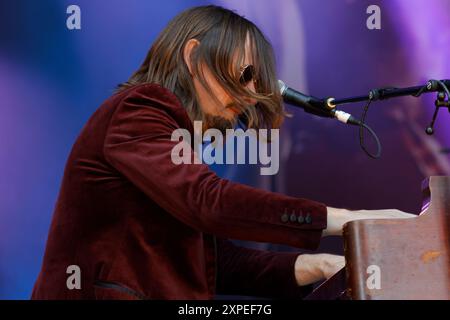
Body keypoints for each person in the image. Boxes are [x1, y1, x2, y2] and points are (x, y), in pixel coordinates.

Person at [31, 5, 413, 300]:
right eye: (246, 75)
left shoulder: (173, 141)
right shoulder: (138, 108)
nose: (249, 94)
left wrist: (319, 264)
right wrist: (351, 219)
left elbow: (219, 261)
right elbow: (210, 202)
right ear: (194, 56)